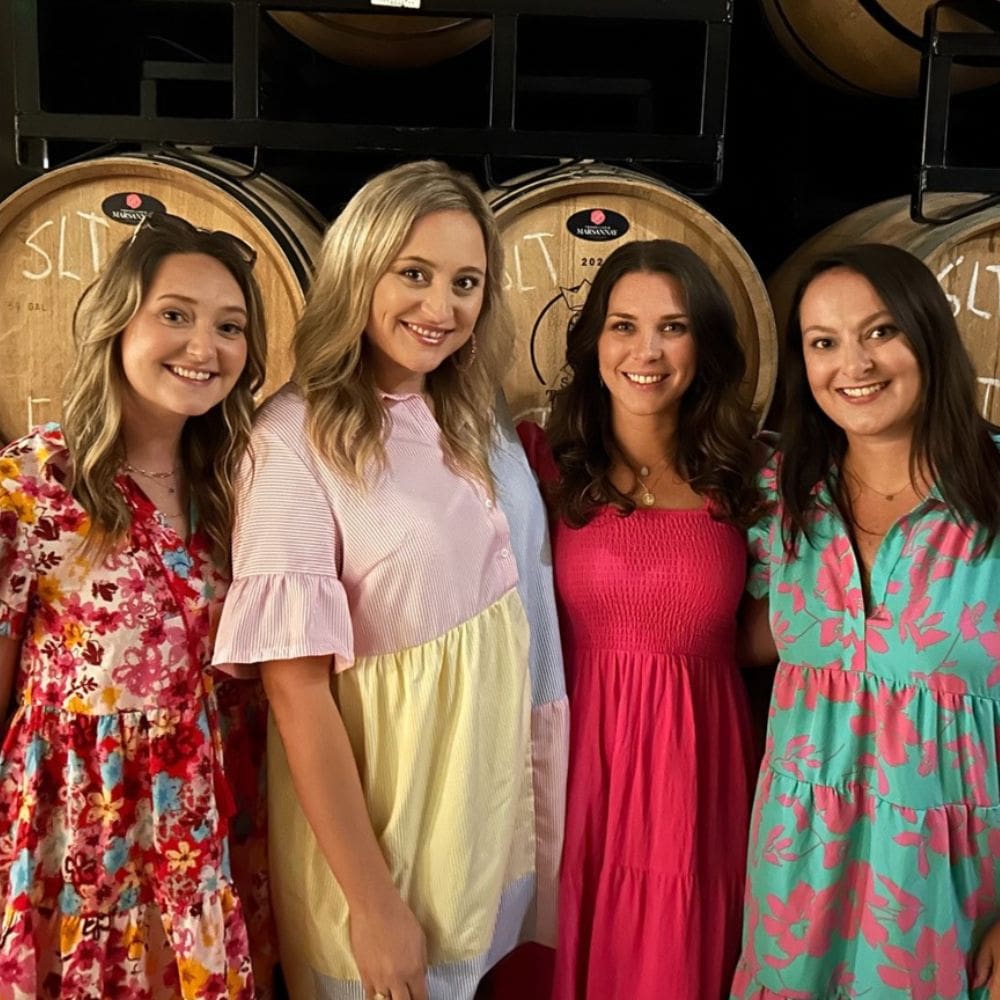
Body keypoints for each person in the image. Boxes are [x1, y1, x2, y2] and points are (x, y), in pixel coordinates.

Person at [213, 159, 567, 1000]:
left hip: (492, 825)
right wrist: (373, 908)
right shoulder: (291, 440)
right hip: (388, 850)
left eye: (465, 282)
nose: (440, 307)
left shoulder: (474, 411)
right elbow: (296, 691)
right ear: (358, 271)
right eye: (414, 273)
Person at [0, 213, 266, 998]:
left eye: (230, 326)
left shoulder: (240, 483)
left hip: (215, 828)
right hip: (84, 837)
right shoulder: (34, 481)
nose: (203, 346)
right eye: (175, 315)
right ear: (118, 324)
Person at [730, 243, 1000, 999]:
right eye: (824, 343)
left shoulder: (995, 492)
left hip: (953, 891)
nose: (854, 364)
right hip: (798, 881)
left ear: (928, 334)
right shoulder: (782, 494)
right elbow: (732, 636)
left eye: (880, 331)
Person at [516, 239, 763, 999]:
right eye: (623, 326)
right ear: (594, 343)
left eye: (673, 328)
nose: (645, 351)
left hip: (698, 774)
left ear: (704, 346)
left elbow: (769, 633)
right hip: (574, 768)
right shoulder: (542, 465)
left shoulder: (750, 477)